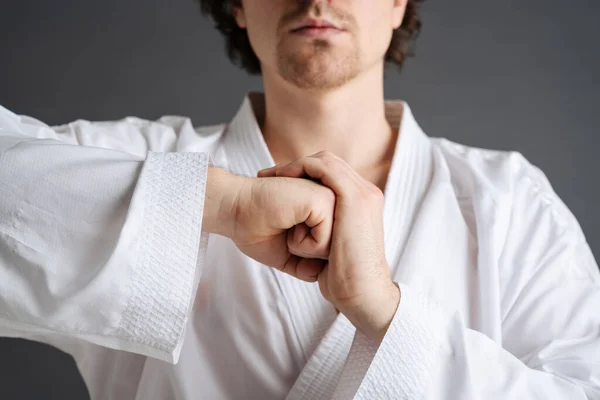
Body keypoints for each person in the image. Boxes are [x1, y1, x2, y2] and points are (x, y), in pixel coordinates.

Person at [0, 0, 599, 398]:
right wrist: (220, 205)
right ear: (237, 5)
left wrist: (387, 315)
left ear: (397, 3)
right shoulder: (141, 161)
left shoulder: (509, 201)